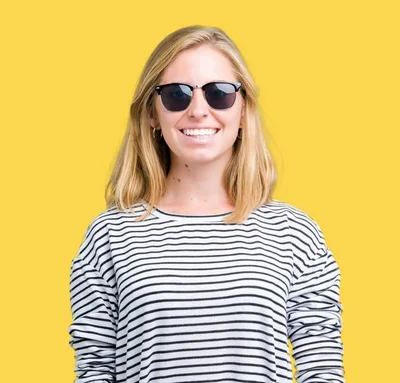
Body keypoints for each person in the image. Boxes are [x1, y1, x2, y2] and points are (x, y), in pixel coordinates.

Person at [68, 25, 345, 383]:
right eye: (177, 95)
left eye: (219, 93)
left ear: (243, 109)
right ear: (153, 114)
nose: (198, 110)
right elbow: (94, 370)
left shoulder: (294, 233)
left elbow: (322, 368)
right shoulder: (109, 235)